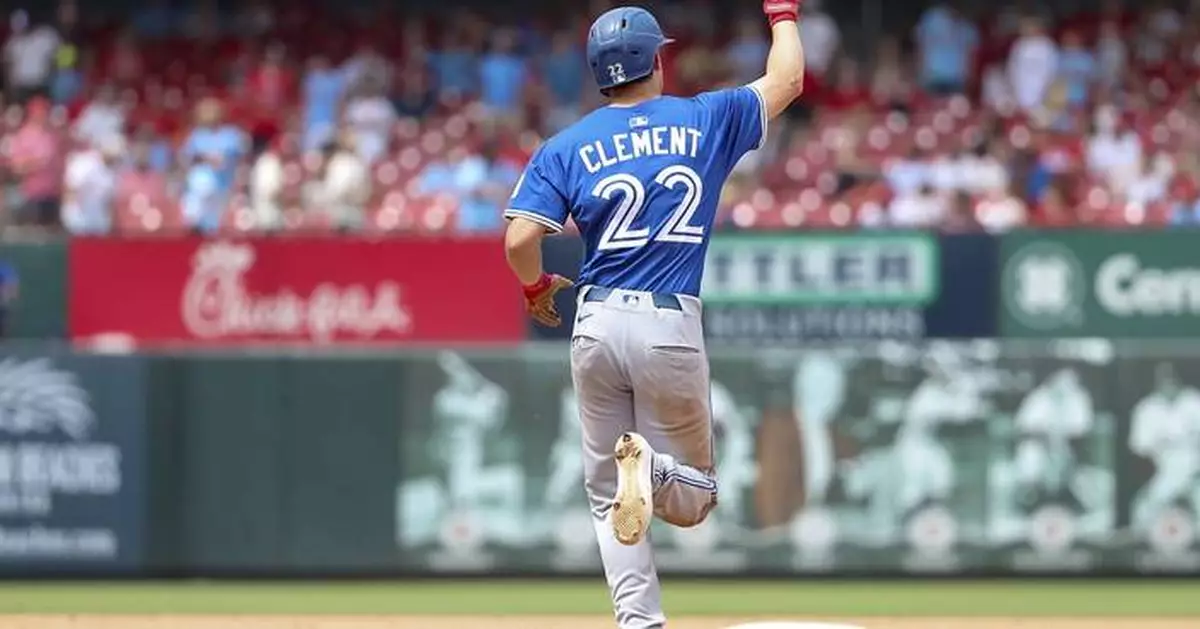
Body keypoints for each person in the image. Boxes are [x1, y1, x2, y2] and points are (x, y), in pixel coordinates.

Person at [501, 3, 805, 627]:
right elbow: (789, 81)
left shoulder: (569, 144)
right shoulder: (705, 117)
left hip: (596, 321)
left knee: (606, 492)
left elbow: (518, 241)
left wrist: (535, 289)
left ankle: (639, 622)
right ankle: (658, 467)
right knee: (696, 499)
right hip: (669, 322)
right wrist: (783, 14)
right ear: (657, 58)